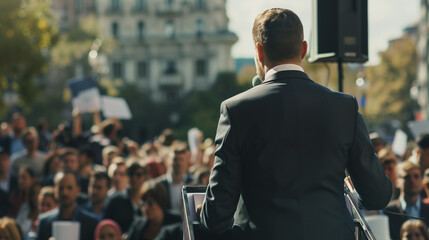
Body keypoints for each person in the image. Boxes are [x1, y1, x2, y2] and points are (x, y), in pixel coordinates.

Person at [200, 8, 392, 240]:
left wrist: (204, 213)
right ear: (303, 49)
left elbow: (217, 216)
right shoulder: (344, 107)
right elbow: (378, 196)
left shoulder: (236, 109)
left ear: (259, 52)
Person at [36, 170, 98, 240]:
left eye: (69, 188)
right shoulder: (44, 222)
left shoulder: (91, 223)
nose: (65, 192)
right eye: (61, 188)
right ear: (55, 190)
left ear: (78, 190)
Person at [384, 161, 429, 240]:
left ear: (422, 181)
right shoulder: (387, 211)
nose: (412, 180)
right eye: (407, 177)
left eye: (416, 176)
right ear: (397, 181)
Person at [104, 161, 148, 233]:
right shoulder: (116, 201)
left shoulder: (149, 202)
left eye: (138, 175)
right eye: (131, 174)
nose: (134, 178)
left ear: (145, 177)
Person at [157, 142, 194, 214]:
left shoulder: (194, 183)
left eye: (181, 159)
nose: (178, 163)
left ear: (187, 161)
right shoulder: (159, 185)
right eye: (175, 159)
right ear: (167, 160)